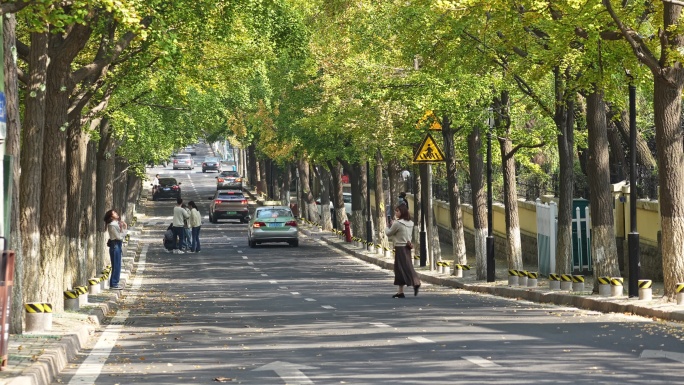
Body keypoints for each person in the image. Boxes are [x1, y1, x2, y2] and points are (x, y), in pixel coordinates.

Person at [384, 204, 421, 298]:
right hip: (407, 247)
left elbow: (388, 233)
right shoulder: (411, 223)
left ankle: (416, 282)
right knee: (401, 269)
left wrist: (388, 226)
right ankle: (400, 292)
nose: (396, 213)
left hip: (400, 248)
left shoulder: (397, 223)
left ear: (402, 212)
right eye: (395, 211)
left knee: (404, 268)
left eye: (397, 211)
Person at [104, 209, 127, 290]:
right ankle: (114, 284)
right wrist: (125, 229)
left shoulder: (115, 224)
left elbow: (119, 234)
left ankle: (114, 283)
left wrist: (122, 227)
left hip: (117, 245)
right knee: (116, 265)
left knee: (117, 265)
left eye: (116, 212)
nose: (117, 214)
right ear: (111, 216)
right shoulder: (112, 225)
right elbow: (119, 237)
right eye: (114, 213)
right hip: (115, 245)